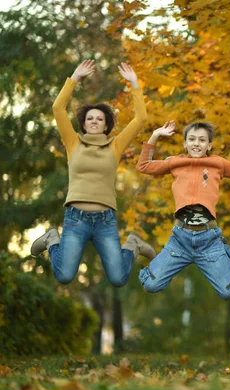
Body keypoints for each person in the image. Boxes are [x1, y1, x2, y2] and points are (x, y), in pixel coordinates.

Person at [30, 60, 155, 287]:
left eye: (100, 118)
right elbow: (57, 108)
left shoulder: (115, 146)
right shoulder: (73, 143)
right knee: (64, 275)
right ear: (84, 124)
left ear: (106, 124)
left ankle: (133, 245)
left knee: (118, 278)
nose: (94, 121)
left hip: (105, 220)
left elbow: (141, 119)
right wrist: (75, 77)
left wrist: (135, 83)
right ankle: (51, 239)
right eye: (90, 118)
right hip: (75, 219)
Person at [135, 120, 230, 298]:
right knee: (150, 285)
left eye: (202, 140)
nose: (196, 143)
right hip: (180, 240)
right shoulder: (175, 162)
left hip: (209, 241)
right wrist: (155, 135)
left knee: (229, 292)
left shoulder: (218, 163)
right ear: (185, 144)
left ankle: (227, 256)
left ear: (209, 145)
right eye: (191, 139)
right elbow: (143, 165)